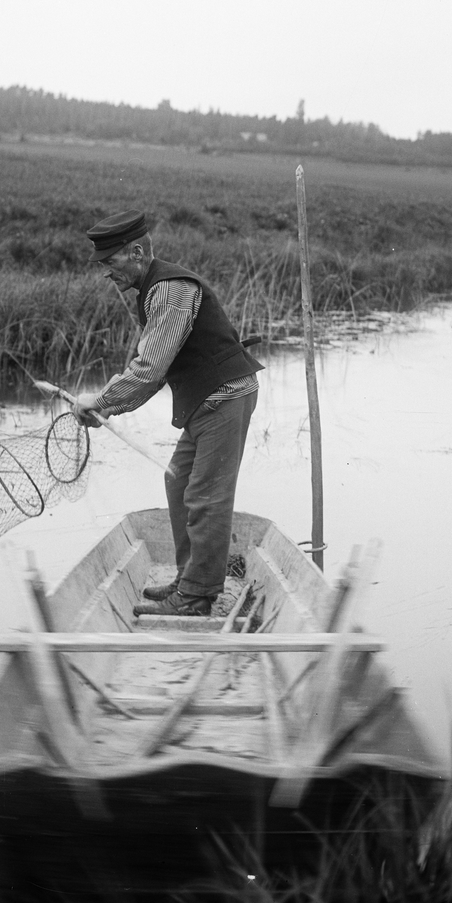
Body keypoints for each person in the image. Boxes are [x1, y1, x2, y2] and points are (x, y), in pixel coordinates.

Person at [73, 209, 263, 618]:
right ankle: (188, 577)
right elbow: (152, 366)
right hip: (207, 401)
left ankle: (196, 597)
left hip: (225, 397)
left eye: (111, 262)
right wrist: (107, 403)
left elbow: (150, 369)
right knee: (178, 482)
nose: (106, 273)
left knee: (205, 496)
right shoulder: (155, 290)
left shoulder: (171, 290)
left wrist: (101, 402)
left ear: (137, 252)